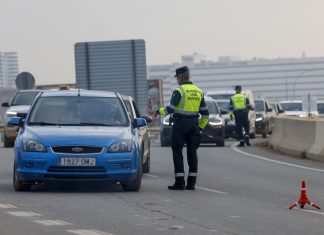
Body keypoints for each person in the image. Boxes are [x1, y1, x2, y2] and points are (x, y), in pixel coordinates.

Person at [147, 66, 209, 190]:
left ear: (181, 77)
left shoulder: (179, 91)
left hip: (181, 125)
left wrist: (157, 111)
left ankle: (180, 182)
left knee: (177, 151)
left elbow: (170, 109)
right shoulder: (198, 91)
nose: (176, 79)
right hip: (194, 125)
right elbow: (205, 114)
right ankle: (191, 183)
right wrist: (200, 127)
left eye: (177, 77)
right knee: (192, 153)